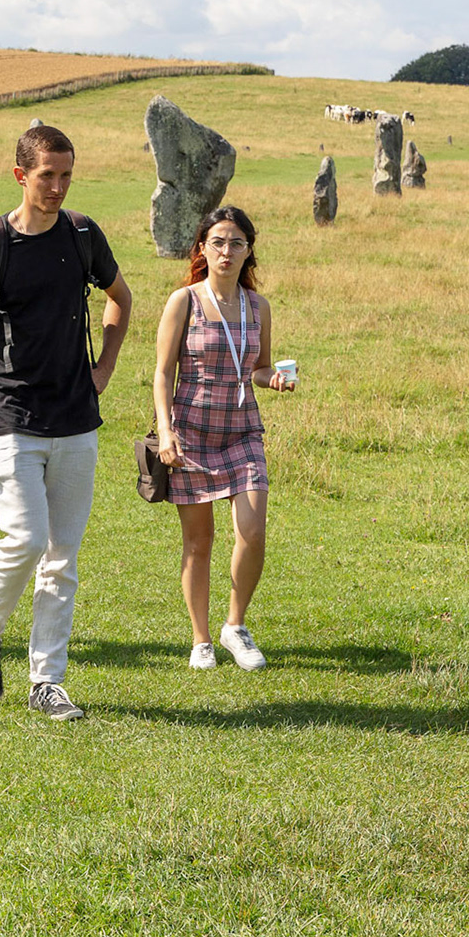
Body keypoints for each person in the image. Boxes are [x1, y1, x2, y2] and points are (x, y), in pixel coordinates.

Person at [0, 125, 133, 720]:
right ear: (20, 175)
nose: (57, 187)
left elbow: (120, 299)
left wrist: (102, 367)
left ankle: (46, 680)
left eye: (66, 176)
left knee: (63, 556)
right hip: (9, 416)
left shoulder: (83, 234)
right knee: (26, 539)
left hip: (77, 419)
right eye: (47, 175)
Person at [152, 206, 294, 671]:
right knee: (199, 541)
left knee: (253, 533)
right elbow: (162, 372)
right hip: (190, 432)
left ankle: (235, 625)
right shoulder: (185, 301)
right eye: (218, 242)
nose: (226, 251)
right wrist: (167, 431)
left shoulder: (259, 307)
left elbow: (258, 367)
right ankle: (201, 640)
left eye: (236, 243)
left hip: (242, 431)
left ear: (249, 250)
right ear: (202, 249)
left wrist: (272, 379)